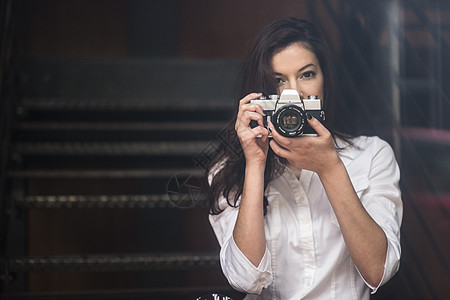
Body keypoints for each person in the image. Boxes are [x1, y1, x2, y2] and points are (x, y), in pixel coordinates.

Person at [206, 17, 402, 300]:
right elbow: (245, 279)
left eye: (307, 74)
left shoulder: (372, 155)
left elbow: (378, 271)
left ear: (325, 80)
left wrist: (330, 168)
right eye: (277, 81)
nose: (293, 95)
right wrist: (255, 163)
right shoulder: (228, 170)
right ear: (259, 95)